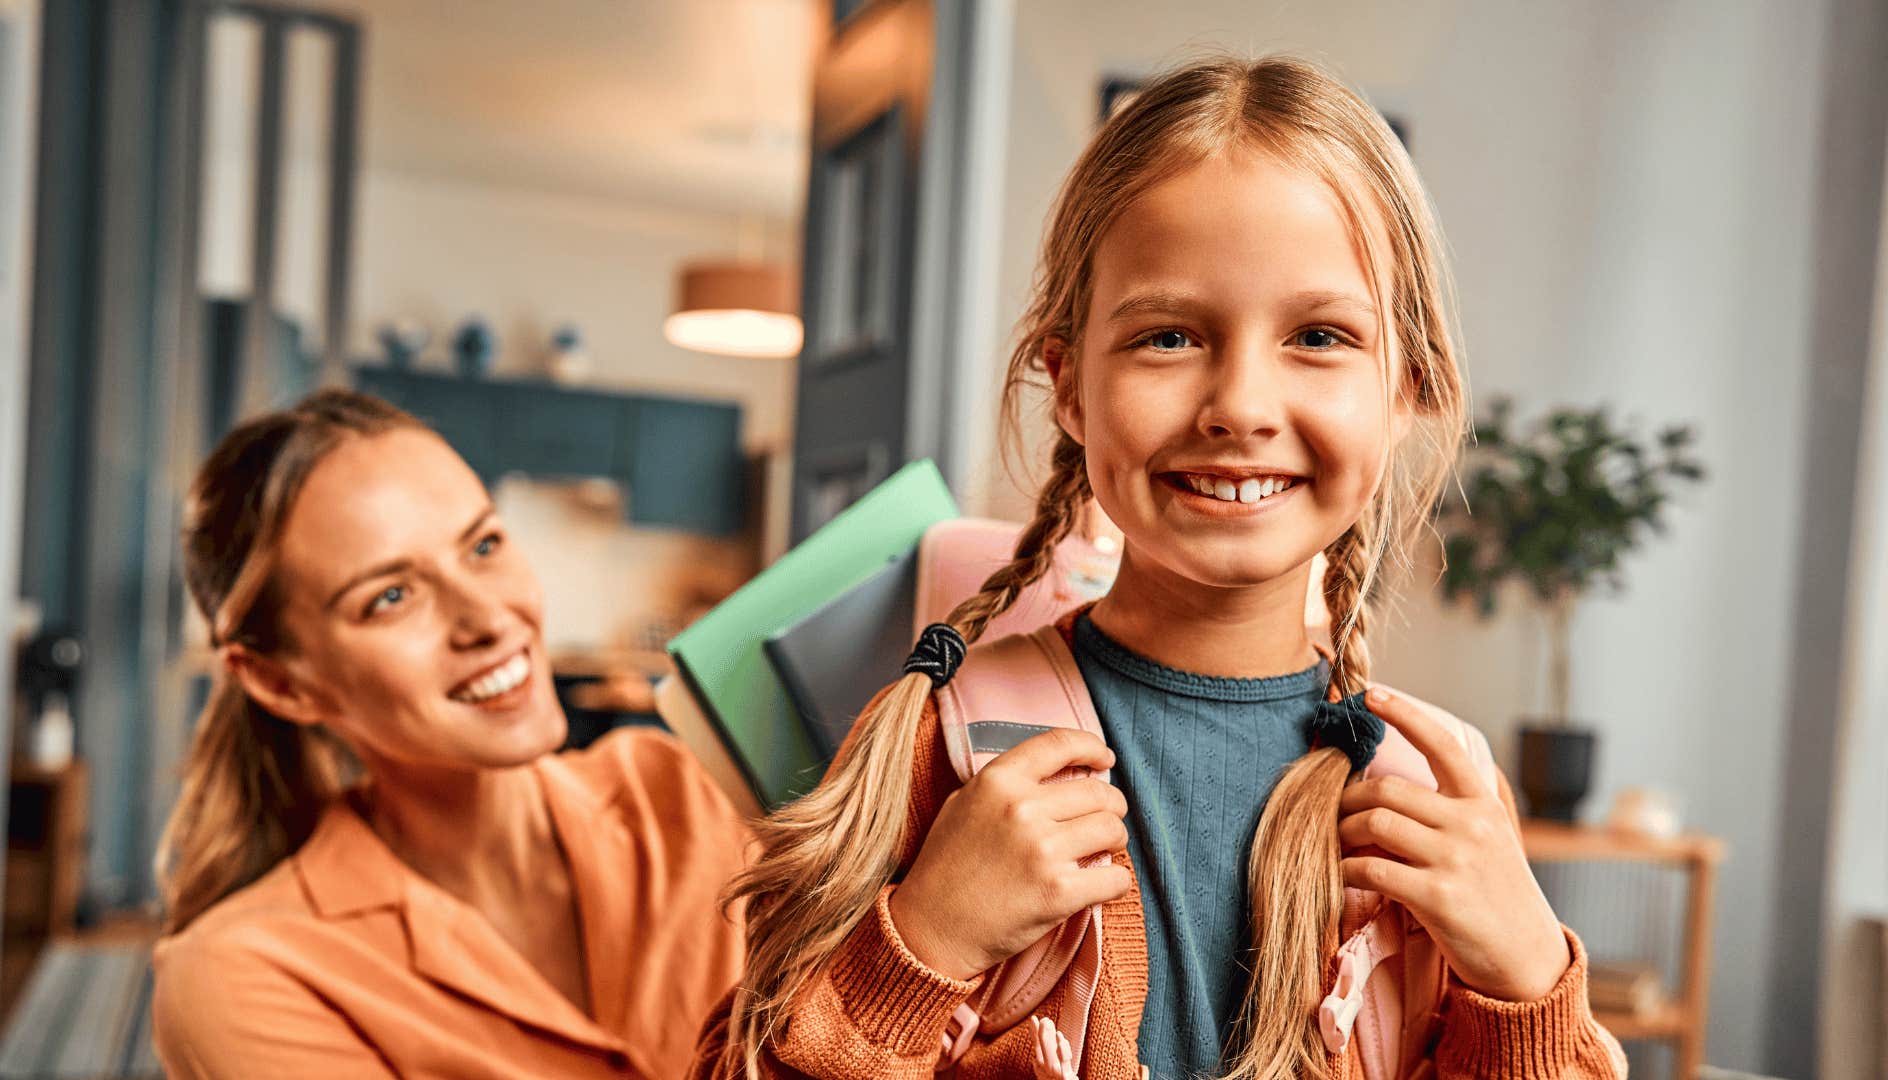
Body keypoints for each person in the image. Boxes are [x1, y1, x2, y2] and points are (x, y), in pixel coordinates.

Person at [697, 54, 1624, 1079]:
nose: (1240, 404)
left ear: (1406, 388)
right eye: (1169, 336)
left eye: (1318, 336)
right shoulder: (940, 746)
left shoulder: (1438, 793)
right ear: (1070, 385)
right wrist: (926, 945)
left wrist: (1528, 986)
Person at [151, 389, 750, 1080]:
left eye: (484, 545)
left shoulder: (692, 789)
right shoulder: (243, 974)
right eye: (390, 596)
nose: (489, 618)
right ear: (282, 684)